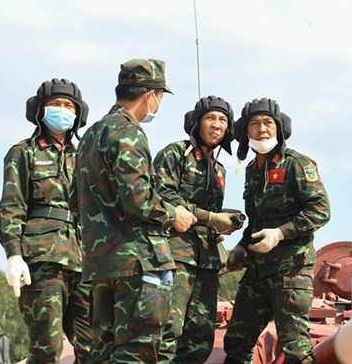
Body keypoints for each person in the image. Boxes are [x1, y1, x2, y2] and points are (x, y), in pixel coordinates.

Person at [74, 58, 197, 363]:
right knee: (136, 352)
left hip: (102, 265)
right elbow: (138, 199)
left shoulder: (91, 135)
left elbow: (76, 200)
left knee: (102, 352)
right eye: (159, 97)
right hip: (138, 263)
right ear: (150, 95)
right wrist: (174, 215)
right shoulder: (128, 132)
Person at [223, 98, 331, 364]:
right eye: (255, 124)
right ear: (245, 132)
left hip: (290, 271)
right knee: (236, 344)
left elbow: (320, 211)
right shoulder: (252, 170)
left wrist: (280, 233)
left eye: (268, 123)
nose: (262, 129)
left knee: (295, 349)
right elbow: (257, 222)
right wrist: (241, 248)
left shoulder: (296, 164)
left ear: (279, 128)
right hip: (257, 272)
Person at [0, 78, 92, 363]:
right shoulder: (23, 153)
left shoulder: (85, 157)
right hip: (42, 262)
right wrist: (14, 255)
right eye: (55, 104)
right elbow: (12, 205)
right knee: (47, 349)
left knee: (96, 349)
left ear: (78, 113)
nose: (62, 109)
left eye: (68, 105)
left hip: (84, 263)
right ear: (40, 110)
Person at [153, 96, 245, 363]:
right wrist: (212, 217)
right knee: (167, 330)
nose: (216, 125)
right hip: (174, 256)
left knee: (200, 336)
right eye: (210, 118)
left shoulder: (219, 169)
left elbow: (208, 215)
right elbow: (162, 195)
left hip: (207, 261)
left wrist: (223, 222)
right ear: (196, 122)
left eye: (223, 120)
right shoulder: (175, 154)